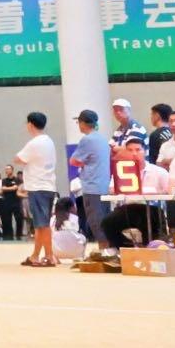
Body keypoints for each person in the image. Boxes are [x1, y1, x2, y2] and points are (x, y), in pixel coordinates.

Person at [14, 113, 60, 267]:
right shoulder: (48, 141)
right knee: (40, 224)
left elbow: (18, 159)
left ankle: (49, 256)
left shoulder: (34, 143)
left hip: (38, 187)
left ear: (30, 124)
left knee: (42, 224)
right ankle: (35, 255)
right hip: (48, 186)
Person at [70, 108, 112, 256]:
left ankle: (104, 250)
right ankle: (107, 249)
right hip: (103, 184)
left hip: (92, 185)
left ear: (82, 123)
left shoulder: (87, 139)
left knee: (95, 220)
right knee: (103, 218)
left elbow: (74, 160)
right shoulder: (102, 139)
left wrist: (83, 164)